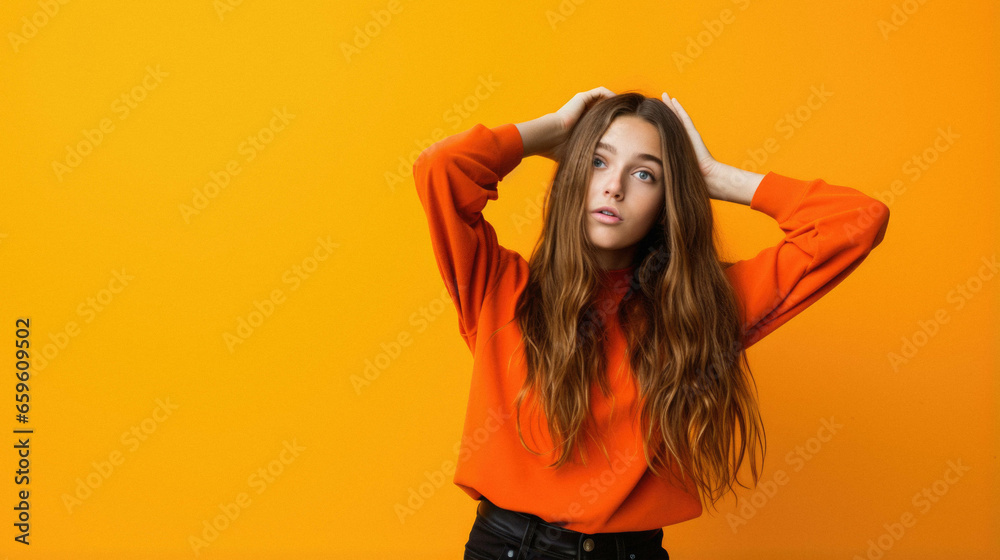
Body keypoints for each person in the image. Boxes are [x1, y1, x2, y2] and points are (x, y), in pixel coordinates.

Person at [412, 87, 890, 560]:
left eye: (645, 174)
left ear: (668, 200)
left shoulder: (702, 309)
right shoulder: (498, 287)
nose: (614, 186)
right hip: (507, 549)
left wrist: (715, 177)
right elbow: (441, 168)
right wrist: (551, 132)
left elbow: (857, 220)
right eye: (598, 162)